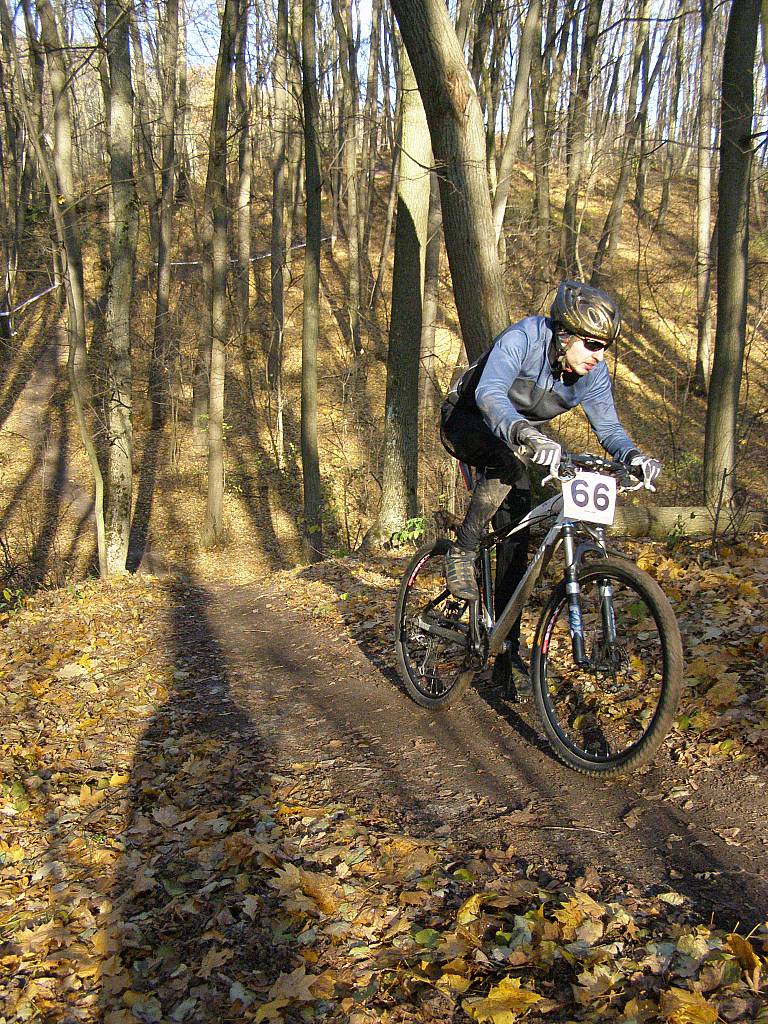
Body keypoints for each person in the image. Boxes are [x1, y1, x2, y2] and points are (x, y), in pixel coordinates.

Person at [440, 280, 661, 692]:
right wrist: (525, 433)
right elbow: (490, 393)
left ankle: (504, 653)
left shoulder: (592, 375)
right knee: (507, 464)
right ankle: (462, 550)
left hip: (519, 436)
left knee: (516, 538)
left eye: (605, 348)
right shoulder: (524, 338)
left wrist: (634, 457)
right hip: (468, 419)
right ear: (564, 334)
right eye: (592, 345)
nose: (599, 356)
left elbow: (609, 429)